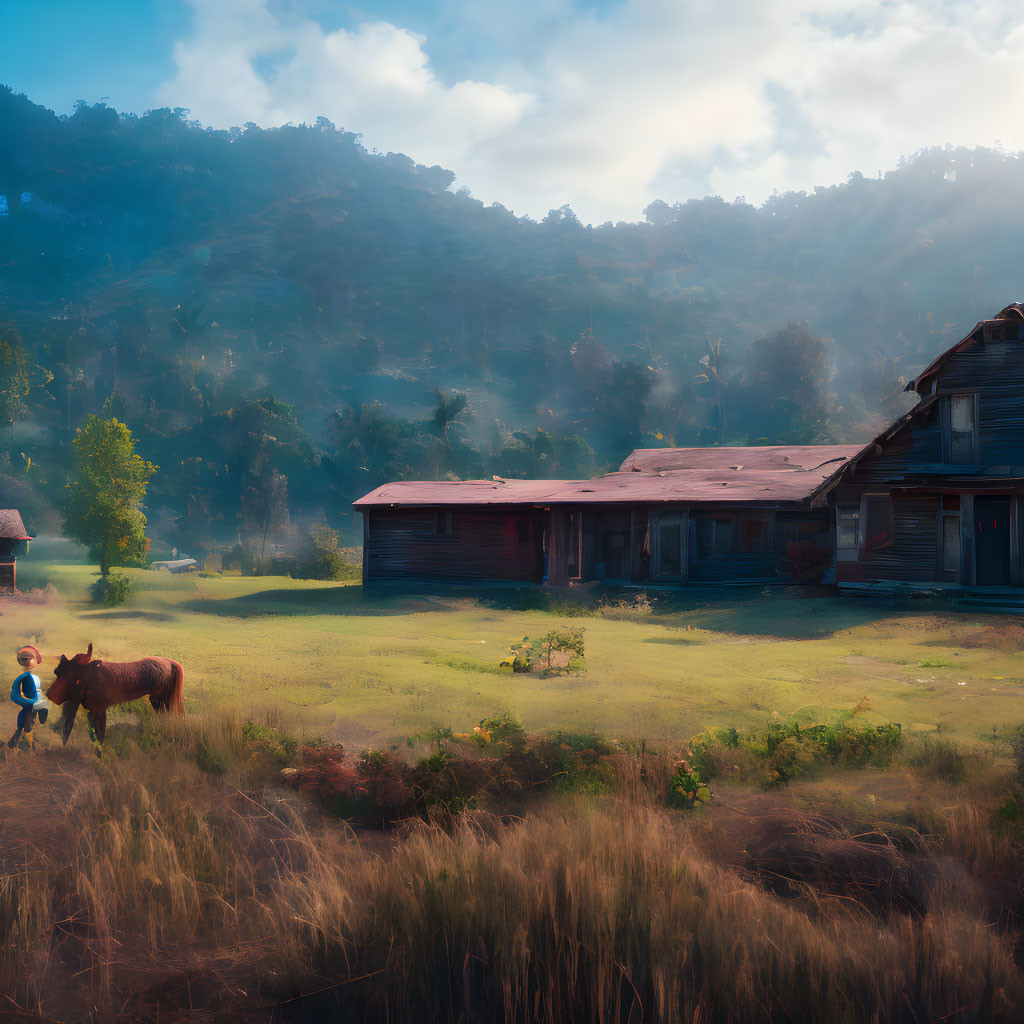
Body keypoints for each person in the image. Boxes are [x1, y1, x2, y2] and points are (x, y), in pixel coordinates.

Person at [8, 645, 47, 751]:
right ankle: (20, 744)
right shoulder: (26, 677)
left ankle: (22, 744)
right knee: (27, 724)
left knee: (29, 724)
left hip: (32, 703)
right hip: (29, 703)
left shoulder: (33, 677)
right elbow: (17, 691)